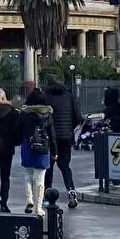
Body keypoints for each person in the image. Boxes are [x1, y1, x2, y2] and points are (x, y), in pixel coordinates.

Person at [44, 77, 82, 209]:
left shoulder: (46, 97)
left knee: (49, 167)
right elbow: (78, 117)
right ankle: (71, 189)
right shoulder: (69, 96)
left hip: (51, 137)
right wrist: (69, 129)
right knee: (65, 165)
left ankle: (47, 196)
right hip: (66, 136)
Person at [19, 88, 57, 217]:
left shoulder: (24, 114)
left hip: (27, 146)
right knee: (40, 179)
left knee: (28, 175)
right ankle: (38, 206)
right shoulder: (48, 115)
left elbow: (18, 130)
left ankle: (29, 200)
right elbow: (52, 134)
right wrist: (54, 151)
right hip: (43, 148)